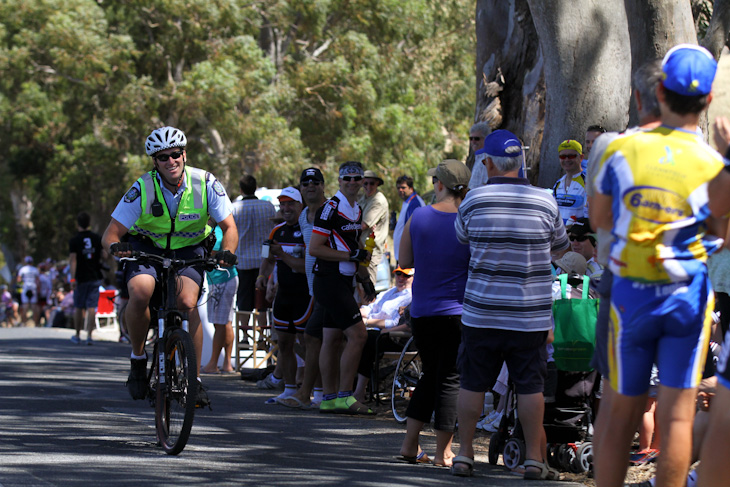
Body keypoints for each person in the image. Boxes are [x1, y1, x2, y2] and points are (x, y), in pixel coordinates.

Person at [590, 45, 726, 487]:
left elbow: (600, 219)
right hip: (687, 297)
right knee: (677, 420)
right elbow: (722, 234)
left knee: (619, 412)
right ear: (707, 102)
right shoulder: (713, 164)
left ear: (659, 92)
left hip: (631, 296)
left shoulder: (619, 149)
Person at [453, 130, 569, 479]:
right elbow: (561, 248)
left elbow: (462, 240)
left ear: (487, 163)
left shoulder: (473, 200)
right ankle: (534, 459)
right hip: (529, 317)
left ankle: (464, 454)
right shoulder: (547, 201)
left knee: (473, 383)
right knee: (531, 386)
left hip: (481, 312)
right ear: (521, 162)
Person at [103, 126, 238, 407]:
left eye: (175, 154)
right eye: (163, 157)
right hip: (147, 249)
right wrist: (118, 247)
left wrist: (227, 252)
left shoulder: (206, 182)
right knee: (140, 292)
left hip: (190, 251)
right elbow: (111, 234)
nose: (170, 161)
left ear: (184, 155)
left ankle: (196, 379)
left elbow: (229, 226)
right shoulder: (143, 187)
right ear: (154, 162)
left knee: (188, 302)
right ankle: (138, 358)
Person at [397, 159, 471, 468]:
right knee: (450, 378)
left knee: (429, 374)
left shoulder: (418, 216)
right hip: (458, 311)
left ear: (438, 184)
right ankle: (444, 452)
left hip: (423, 311)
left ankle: (409, 444)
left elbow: (404, 260)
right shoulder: (469, 221)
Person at [309, 161, 376, 415]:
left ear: (362, 181)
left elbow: (355, 248)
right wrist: (351, 256)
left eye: (356, 178)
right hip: (329, 280)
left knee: (332, 337)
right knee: (359, 335)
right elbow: (315, 248)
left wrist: (364, 277)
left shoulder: (356, 209)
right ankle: (346, 396)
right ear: (339, 181)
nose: (352, 182)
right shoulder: (330, 208)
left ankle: (329, 397)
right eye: (346, 178)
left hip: (343, 280)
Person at [255, 187, 311, 405]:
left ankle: (315, 389)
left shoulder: (307, 230)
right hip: (283, 294)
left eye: (290, 204)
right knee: (284, 343)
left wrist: (282, 255)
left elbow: (306, 266)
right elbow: (267, 258)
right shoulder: (275, 231)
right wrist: (262, 276)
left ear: (300, 205)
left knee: (307, 344)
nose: (286, 209)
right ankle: (288, 388)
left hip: (304, 294)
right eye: (283, 204)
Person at [277, 168, 328, 409]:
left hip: (324, 287)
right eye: (305, 182)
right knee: (307, 339)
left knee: (316, 338)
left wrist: (359, 277)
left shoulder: (330, 211)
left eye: (315, 182)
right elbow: (269, 259)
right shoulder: (307, 215)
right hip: (309, 288)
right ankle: (301, 391)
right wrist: (266, 279)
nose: (310, 185)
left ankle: (320, 393)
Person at [353, 265, 414, 403]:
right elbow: (370, 308)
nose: (401, 278)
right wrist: (358, 317)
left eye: (406, 275)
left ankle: (360, 391)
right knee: (348, 334)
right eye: (398, 274)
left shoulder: (411, 296)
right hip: (375, 330)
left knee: (367, 340)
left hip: (397, 338)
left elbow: (394, 323)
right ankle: (343, 388)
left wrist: (368, 322)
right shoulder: (389, 292)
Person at [231, 173, 276, 333]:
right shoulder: (267, 206)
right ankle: (263, 333)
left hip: (243, 261)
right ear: (255, 188)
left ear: (241, 189)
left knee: (244, 299)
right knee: (262, 299)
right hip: (264, 261)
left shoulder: (234, 208)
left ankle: (244, 334)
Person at [201, 223, 239, 374]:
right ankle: (226, 363)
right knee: (225, 322)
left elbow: (214, 251)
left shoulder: (216, 231)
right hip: (222, 279)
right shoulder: (218, 229)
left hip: (222, 279)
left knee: (221, 323)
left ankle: (213, 363)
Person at [69, 211, 105, 345]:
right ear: (89, 223)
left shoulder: (74, 240)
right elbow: (104, 255)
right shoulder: (97, 238)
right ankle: (89, 335)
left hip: (80, 277)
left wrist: (72, 279)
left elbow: (73, 260)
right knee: (91, 307)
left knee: (79, 306)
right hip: (95, 276)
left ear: (78, 224)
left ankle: (77, 335)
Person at [359, 170, 389, 285]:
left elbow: (362, 225)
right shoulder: (364, 198)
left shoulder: (378, 200)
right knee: (359, 291)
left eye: (371, 183)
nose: (368, 186)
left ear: (377, 184)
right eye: (365, 183)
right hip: (361, 250)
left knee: (368, 290)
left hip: (371, 253)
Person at [552, 139, 588, 226]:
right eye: (563, 157)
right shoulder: (558, 184)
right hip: (560, 235)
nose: (567, 160)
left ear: (581, 158)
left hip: (579, 236)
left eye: (571, 156)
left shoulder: (587, 181)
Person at [392, 175, 425, 264]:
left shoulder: (414, 203)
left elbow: (413, 231)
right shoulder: (407, 202)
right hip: (402, 256)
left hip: (408, 258)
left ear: (411, 188)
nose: (400, 190)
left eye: (403, 187)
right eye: (398, 188)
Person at [17, 256, 40, 325]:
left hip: (25, 288)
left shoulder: (22, 269)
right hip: (33, 288)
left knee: (25, 306)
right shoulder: (35, 269)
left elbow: (19, 279)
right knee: (34, 306)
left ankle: (24, 323)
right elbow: (38, 280)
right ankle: (35, 323)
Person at [467, 121, 491, 187]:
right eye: (471, 139)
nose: (473, 141)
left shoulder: (487, 159)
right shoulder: (478, 158)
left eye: (477, 139)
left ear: (486, 139)